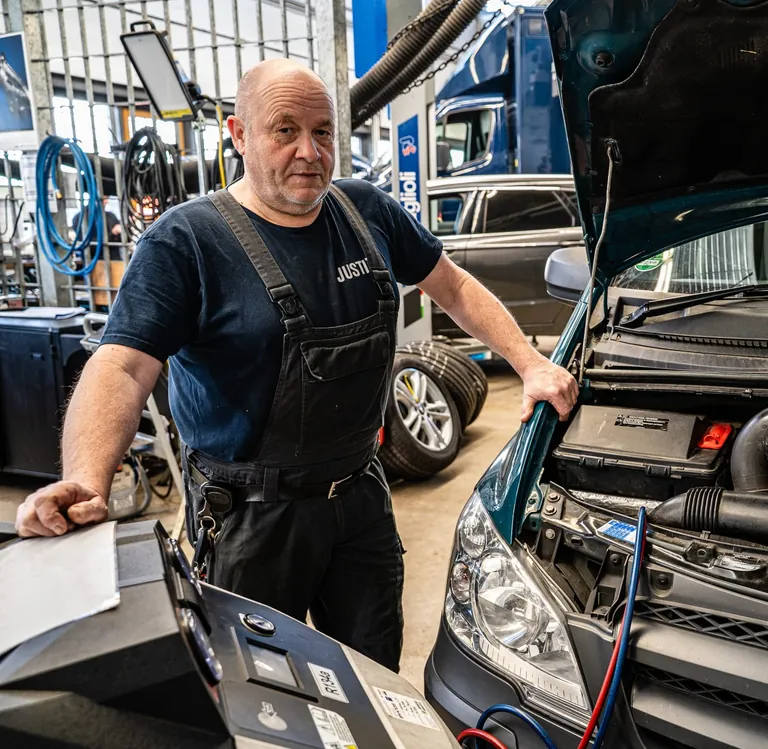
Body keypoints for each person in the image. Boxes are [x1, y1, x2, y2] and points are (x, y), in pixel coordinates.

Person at [15, 59, 578, 673]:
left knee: (374, 678)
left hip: (360, 503)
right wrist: (89, 482)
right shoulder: (187, 243)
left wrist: (530, 363)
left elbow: (454, 286)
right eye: (284, 131)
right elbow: (120, 368)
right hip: (249, 523)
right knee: (261, 694)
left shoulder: (368, 213)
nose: (310, 151)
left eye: (323, 132)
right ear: (238, 134)